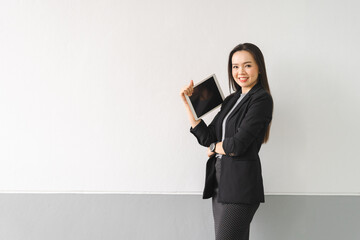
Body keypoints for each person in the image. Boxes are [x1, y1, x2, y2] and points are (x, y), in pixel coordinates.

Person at [180, 43, 273, 240]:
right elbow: (209, 137)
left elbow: (237, 145)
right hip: (220, 183)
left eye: (247, 65)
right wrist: (189, 105)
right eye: (235, 66)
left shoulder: (261, 99)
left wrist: (215, 148)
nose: (241, 72)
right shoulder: (231, 100)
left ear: (259, 68)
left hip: (241, 185)